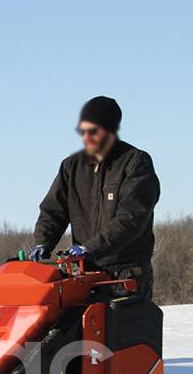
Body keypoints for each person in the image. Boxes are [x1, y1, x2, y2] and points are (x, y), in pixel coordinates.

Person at [30, 96, 160, 297]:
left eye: (93, 131)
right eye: (83, 131)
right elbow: (53, 212)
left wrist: (90, 248)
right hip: (84, 273)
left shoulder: (135, 163)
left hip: (125, 274)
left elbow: (130, 219)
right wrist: (43, 242)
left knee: (123, 327)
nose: (86, 137)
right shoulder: (71, 167)